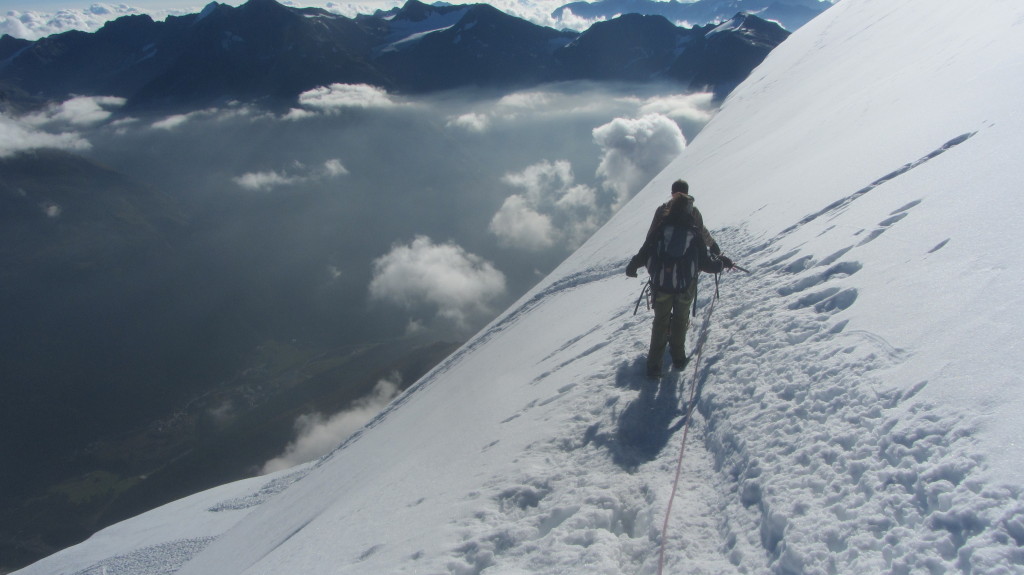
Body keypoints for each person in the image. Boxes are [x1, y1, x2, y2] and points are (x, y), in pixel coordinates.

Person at [626, 179, 732, 378]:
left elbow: (648, 243)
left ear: (672, 193)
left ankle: (654, 366)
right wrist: (719, 260)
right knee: (681, 319)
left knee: (660, 321)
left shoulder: (662, 216)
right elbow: (704, 254)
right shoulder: (693, 219)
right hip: (686, 282)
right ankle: (678, 358)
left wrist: (634, 265)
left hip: (661, 281)